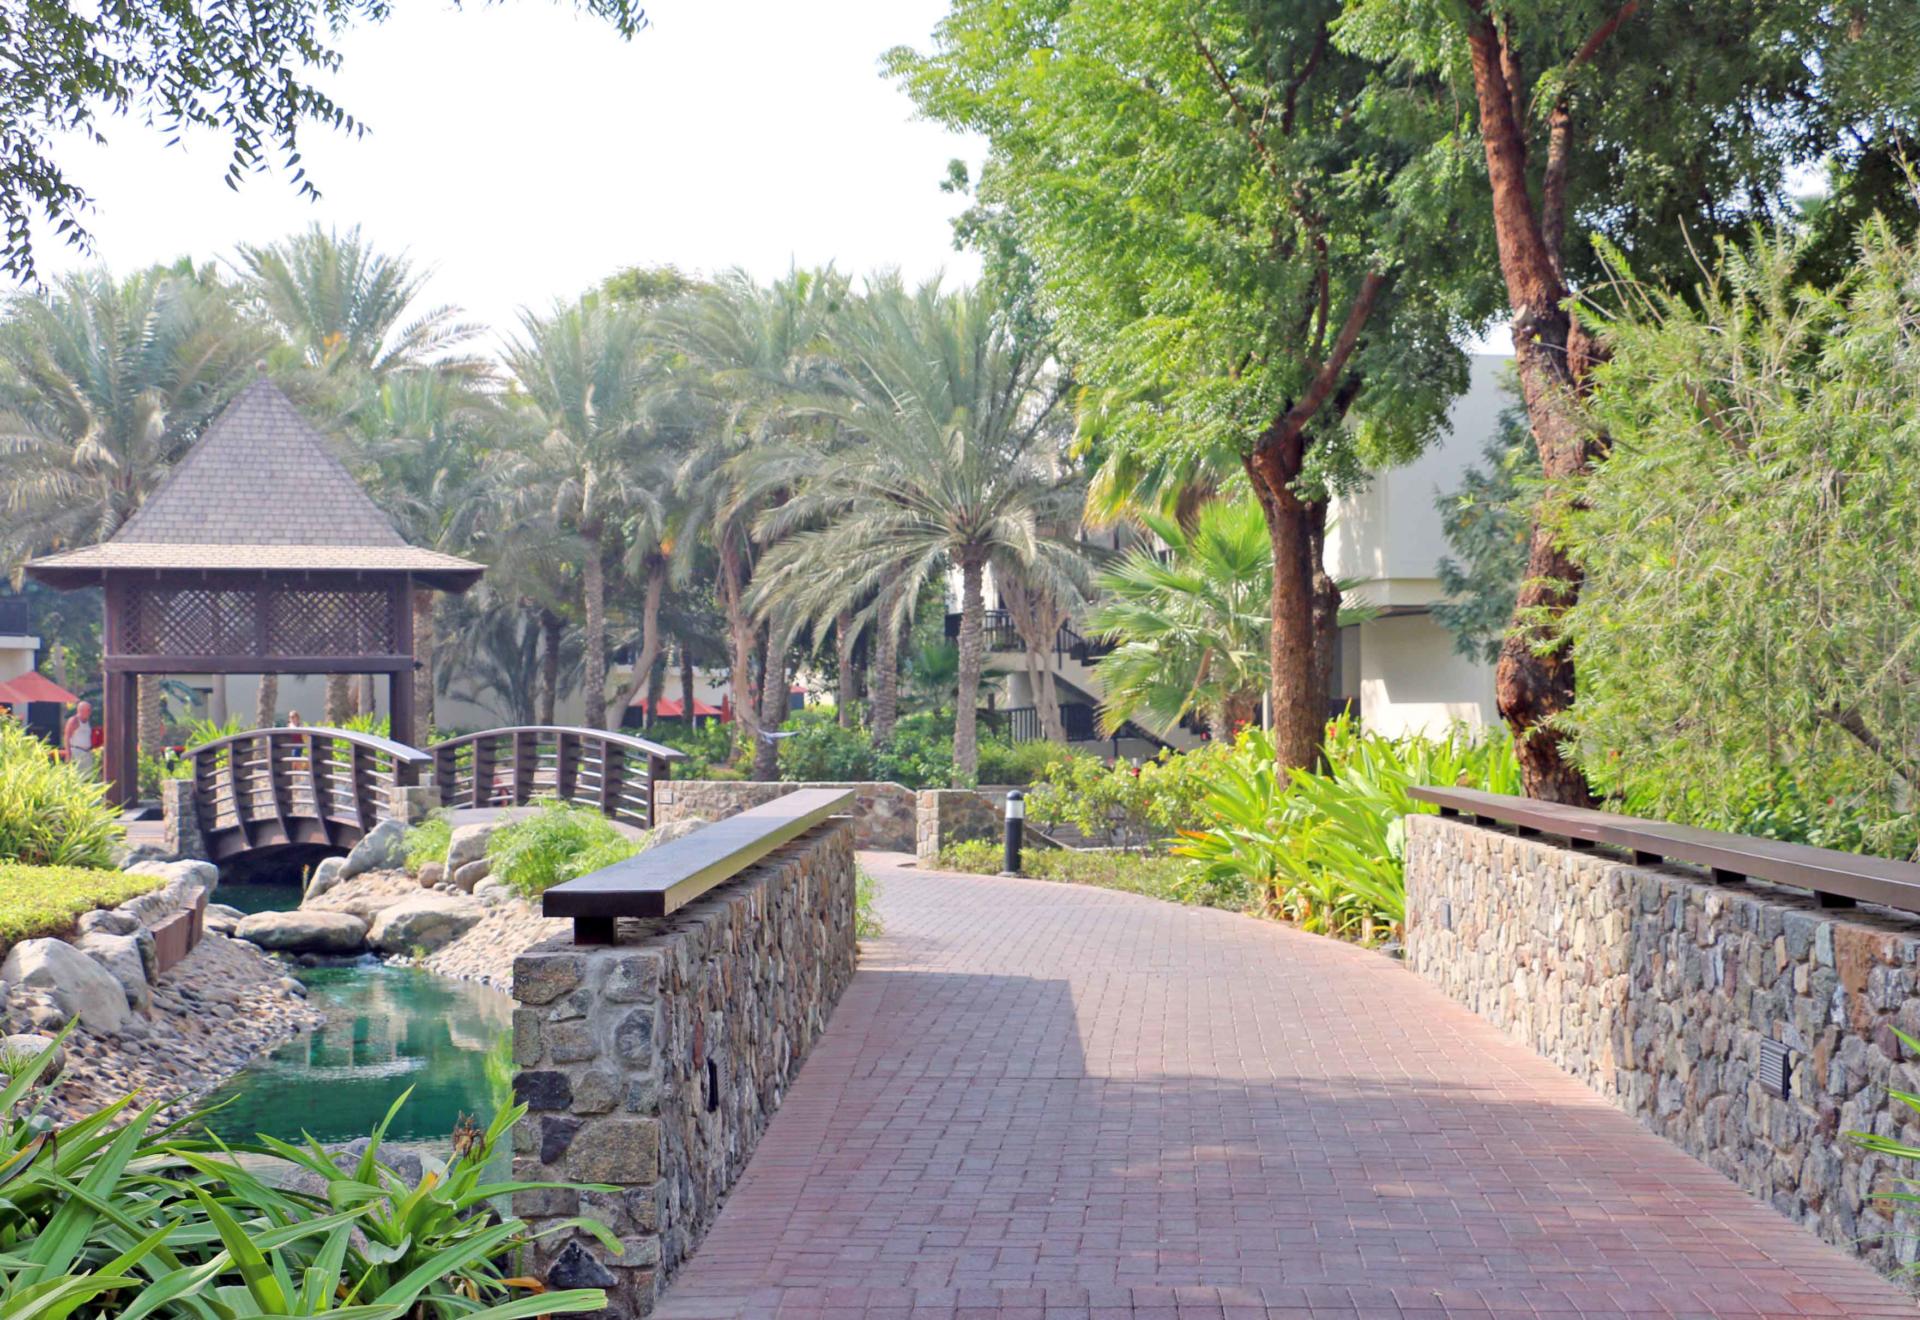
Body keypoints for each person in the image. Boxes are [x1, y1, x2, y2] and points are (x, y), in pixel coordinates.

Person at [63, 700, 93, 776]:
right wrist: (68, 754)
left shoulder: (87, 721)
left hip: (87, 753)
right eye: (88, 710)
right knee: (77, 776)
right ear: (81, 710)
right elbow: (66, 737)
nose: (90, 712)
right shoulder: (74, 720)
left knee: (87, 777)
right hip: (76, 752)